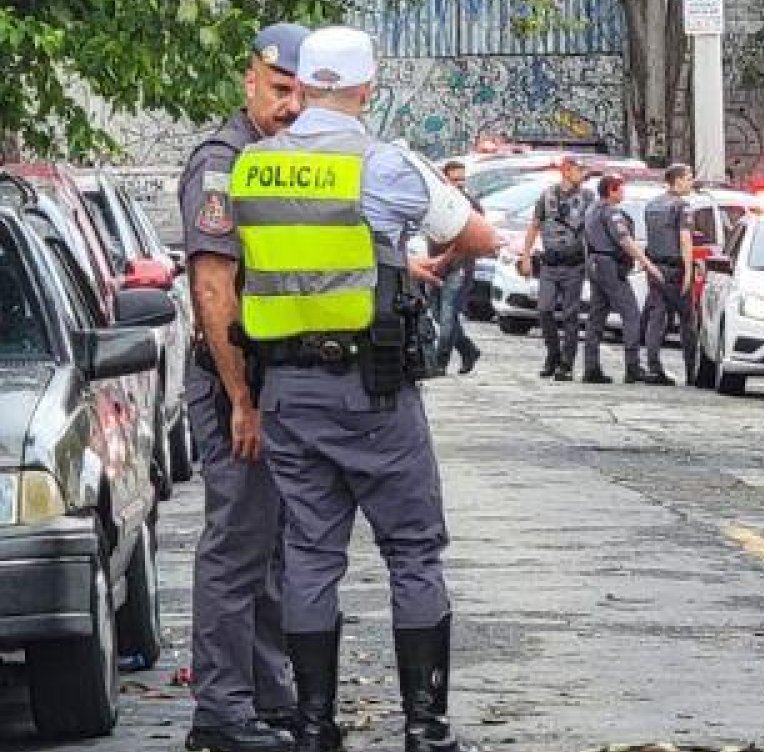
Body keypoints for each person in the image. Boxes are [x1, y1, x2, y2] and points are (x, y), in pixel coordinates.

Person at [228, 26, 498, 752]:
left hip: (285, 389)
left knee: (311, 557)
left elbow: (292, 261)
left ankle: (314, 727)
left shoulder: (252, 167)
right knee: (413, 552)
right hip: (372, 391)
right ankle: (426, 729)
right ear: (368, 88)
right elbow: (480, 238)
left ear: (302, 85)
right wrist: (412, 259)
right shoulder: (386, 164)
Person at [177, 23, 309, 752]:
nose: (290, 105)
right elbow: (212, 285)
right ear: (249, 81)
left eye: (301, 91)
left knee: (271, 545)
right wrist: (241, 401)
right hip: (239, 383)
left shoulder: (281, 160)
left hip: (279, 384)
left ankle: (269, 694)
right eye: (279, 88)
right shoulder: (222, 164)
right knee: (236, 547)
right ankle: (221, 714)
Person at [582, 173, 660, 383]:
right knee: (631, 314)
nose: (623, 192)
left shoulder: (591, 210)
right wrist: (647, 263)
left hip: (595, 263)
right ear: (611, 191)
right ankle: (632, 367)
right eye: (620, 189)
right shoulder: (612, 213)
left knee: (596, 316)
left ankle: (590, 367)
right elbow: (625, 240)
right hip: (610, 265)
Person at [521, 155, 593, 381]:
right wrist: (525, 256)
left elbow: (593, 229)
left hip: (574, 264)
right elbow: (534, 225)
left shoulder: (588, 197)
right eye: (579, 170)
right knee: (544, 309)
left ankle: (566, 364)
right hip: (550, 263)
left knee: (571, 315)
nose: (583, 175)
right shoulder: (548, 195)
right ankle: (553, 353)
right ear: (567, 171)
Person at [640, 163, 698, 386]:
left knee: (657, 317)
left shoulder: (652, 205)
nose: (691, 182)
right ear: (678, 180)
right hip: (675, 269)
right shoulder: (682, 207)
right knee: (687, 320)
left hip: (655, 267)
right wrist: (689, 270)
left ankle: (653, 366)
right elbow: (685, 240)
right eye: (689, 177)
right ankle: (691, 371)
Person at [431, 161, 482, 375]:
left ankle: (439, 362)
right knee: (437, 314)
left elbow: (479, 236)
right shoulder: (436, 201)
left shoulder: (471, 206)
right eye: (455, 179)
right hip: (435, 265)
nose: (460, 183)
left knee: (447, 317)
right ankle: (467, 348)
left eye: (463, 179)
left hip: (459, 267)